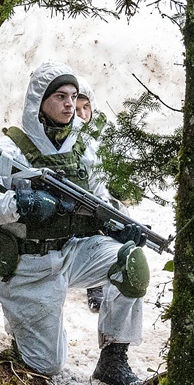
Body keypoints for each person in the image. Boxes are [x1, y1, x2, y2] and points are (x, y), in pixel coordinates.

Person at [0, 62, 148, 385]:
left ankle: (113, 360)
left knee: (130, 263)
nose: (69, 104)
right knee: (47, 365)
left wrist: (120, 224)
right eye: (59, 96)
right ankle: (21, 325)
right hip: (28, 266)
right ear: (38, 102)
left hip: (73, 252)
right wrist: (16, 205)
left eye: (73, 96)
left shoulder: (85, 151)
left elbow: (101, 200)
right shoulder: (6, 152)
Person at [75, 78, 108, 315]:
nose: (82, 114)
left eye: (86, 108)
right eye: (76, 109)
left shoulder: (102, 133)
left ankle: (96, 285)